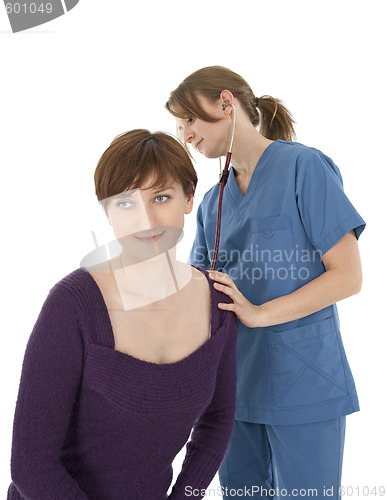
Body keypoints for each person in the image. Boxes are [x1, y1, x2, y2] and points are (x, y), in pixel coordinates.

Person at [166, 66, 365, 499]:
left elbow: (349, 277)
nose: (187, 137)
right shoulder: (212, 202)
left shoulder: (304, 168)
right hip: (232, 392)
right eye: (180, 129)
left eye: (189, 122)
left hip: (304, 382)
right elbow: (197, 294)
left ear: (225, 102)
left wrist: (260, 313)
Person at [7, 129, 237, 500]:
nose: (146, 220)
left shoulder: (219, 303)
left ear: (189, 198)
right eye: (126, 203)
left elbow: (218, 421)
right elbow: (31, 465)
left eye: (161, 197)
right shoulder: (71, 306)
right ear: (108, 212)